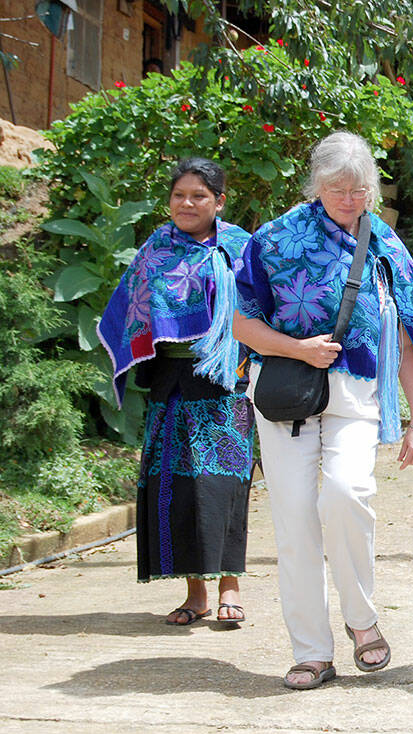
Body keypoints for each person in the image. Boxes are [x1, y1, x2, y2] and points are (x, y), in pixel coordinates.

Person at [233, 131, 413, 690]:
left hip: (357, 395)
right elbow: (239, 322)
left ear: (372, 190)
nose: (348, 200)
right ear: (315, 186)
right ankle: (311, 651)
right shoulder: (274, 241)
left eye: (358, 190)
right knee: (295, 523)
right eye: (336, 189)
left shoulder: (384, 245)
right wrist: (297, 347)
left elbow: (406, 337)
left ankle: (362, 618)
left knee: (347, 493)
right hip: (285, 393)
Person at [96, 158, 254, 627]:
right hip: (171, 385)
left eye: (199, 196)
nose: (187, 203)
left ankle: (230, 586)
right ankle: (196, 594)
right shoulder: (154, 251)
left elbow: (262, 307)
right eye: (179, 195)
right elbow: (131, 308)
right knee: (177, 487)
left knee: (224, 487)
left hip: (226, 382)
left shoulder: (241, 249)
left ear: (219, 202)